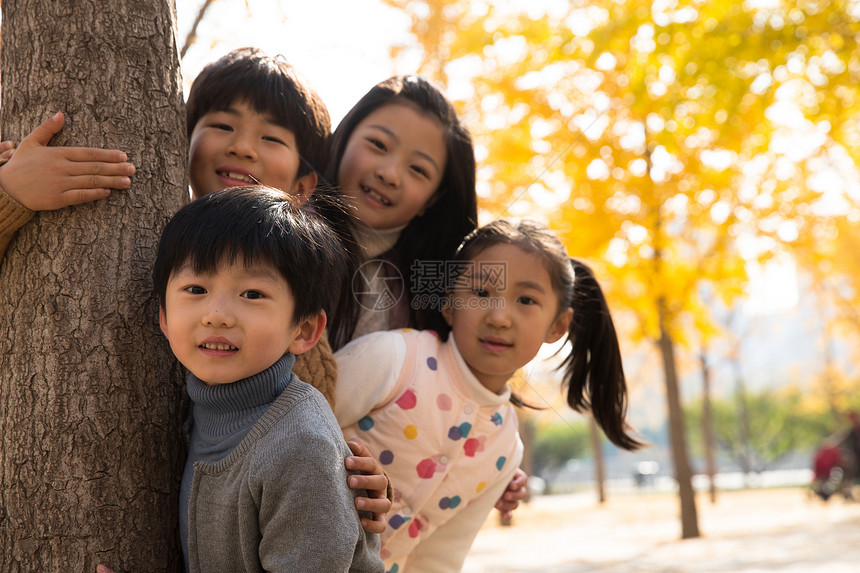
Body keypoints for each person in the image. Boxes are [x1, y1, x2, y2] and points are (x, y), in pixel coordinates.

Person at [0, 48, 390, 532]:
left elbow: (306, 435)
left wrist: (350, 480)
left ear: (304, 184)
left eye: (271, 137)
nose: (243, 147)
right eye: (222, 126)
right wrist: (10, 193)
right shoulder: (135, 224)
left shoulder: (294, 296)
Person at [333, 218, 643, 571]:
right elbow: (291, 423)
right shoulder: (395, 359)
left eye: (526, 300)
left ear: (557, 326)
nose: (499, 317)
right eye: (481, 293)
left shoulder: (506, 448)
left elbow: (440, 557)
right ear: (449, 303)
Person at [313, 73, 530, 522]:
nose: (388, 173)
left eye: (418, 170)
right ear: (344, 136)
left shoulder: (431, 290)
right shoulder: (281, 234)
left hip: (362, 512)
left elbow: (448, 390)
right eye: (377, 144)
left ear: (433, 199)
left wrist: (486, 462)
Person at [151, 186, 384, 572]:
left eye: (252, 294)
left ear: (304, 330)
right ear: (163, 315)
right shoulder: (197, 409)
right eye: (196, 289)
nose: (217, 315)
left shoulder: (300, 444)